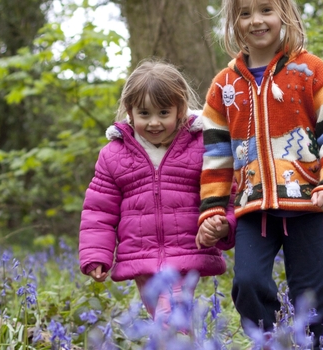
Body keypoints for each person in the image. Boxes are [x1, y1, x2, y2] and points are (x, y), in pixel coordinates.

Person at [196, 0, 323, 348]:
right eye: (244, 13)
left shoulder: (311, 70)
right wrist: (213, 210)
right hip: (253, 207)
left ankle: (321, 342)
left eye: (266, 10)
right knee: (247, 283)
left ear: (285, 14)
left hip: (307, 204)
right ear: (233, 22)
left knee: (313, 295)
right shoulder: (224, 87)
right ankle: (270, 341)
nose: (256, 21)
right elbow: (217, 157)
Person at [78, 59, 236, 324]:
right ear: (129, 111)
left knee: (170, 318)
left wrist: (223, 225)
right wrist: (96, 254)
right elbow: (99, 211)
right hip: (141, 256)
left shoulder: (201, 147)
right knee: (166, 322)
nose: (154, 122)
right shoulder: (113, 155)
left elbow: (226, 194)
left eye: (164, 113)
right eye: (144, 114)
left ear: (180, 109)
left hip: (185, 253)